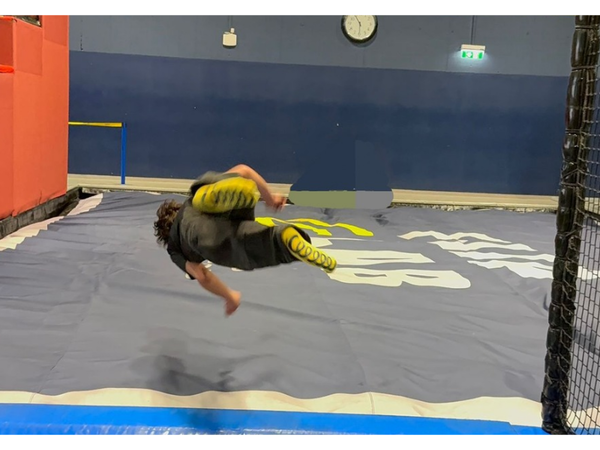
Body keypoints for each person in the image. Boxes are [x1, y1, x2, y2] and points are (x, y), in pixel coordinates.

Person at [153, 164, 337, 317]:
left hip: (209, 237)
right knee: (207, 192)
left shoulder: (174, 247)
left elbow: (202, 275)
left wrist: (230, 296)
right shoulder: (189, 203)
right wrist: (270, 198)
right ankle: (208, 195)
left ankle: (281, 240)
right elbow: (245, 170)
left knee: (249, 244)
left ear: (166, 236)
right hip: (220, 208)